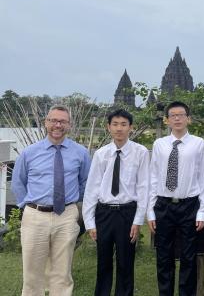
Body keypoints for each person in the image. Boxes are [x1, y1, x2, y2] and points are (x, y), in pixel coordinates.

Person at [11, 104, 91, 296]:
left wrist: (72, 204)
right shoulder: (29, 152)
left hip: (66, 215)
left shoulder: (80, 153)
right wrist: (27, 207)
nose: (58, 125)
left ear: (69, 125)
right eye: (53, 120)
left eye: (63, 121)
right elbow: (18, 182)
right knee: (32, 272)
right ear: (46, 123)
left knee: (62, 272)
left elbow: (85, 182)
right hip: (35, 215)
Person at [82, 109, 149, 296]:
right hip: (104, 213)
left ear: (131, 128)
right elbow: (92, 187)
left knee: (125, 261)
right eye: (115, 124)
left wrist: (138, 220)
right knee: (103, 261)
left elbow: (144, 187)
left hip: (127, 212)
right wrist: (89, 221)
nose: (119, 129)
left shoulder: (140, 152)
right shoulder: (101, 154)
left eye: (123, 124)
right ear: (108, 127)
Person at [147, 101, 204, 296]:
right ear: (167, 120)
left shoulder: (199, 144)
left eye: (181, 114)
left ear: (188, 118)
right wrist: (150, 211)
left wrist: (202, 211)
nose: (177, 118)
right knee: (164, 256)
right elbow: (153, 177)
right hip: (164, 205)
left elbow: (203, 179)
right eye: (172, 115)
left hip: (189, 205)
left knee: (188, 257)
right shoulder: (159, 144)